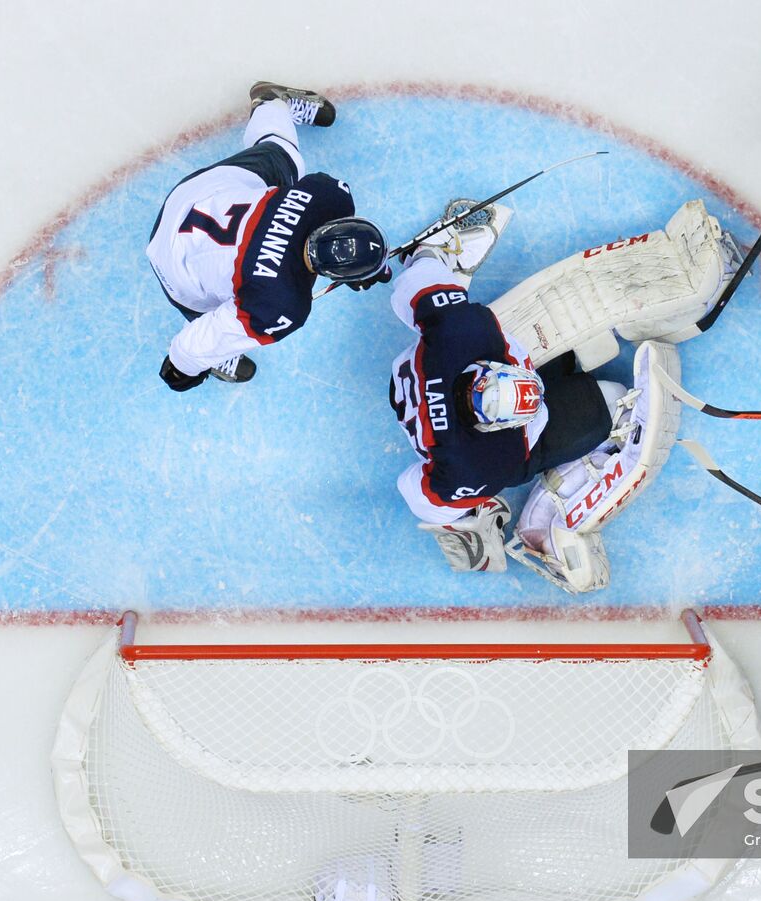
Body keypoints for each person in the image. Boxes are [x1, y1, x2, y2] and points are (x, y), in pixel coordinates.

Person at [387, 208, 680, 592]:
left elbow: (415, 280)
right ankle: (552, 514)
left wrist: (429, 260)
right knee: (615, 399)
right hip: (502, 443)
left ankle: (553, 379)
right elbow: (419, 495)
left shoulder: (459, 334)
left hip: (444, 390)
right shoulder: (480, 463)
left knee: (583, 379)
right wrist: (468, 507)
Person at [147, 81, 390, 392]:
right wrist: (182, 371)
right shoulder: (281, 305)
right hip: (174, 272)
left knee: (284, 156)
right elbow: (187, 349)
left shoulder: (329, 195)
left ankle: (270, 104)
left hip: (189, 199)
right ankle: (216, 354)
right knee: (227, 320)